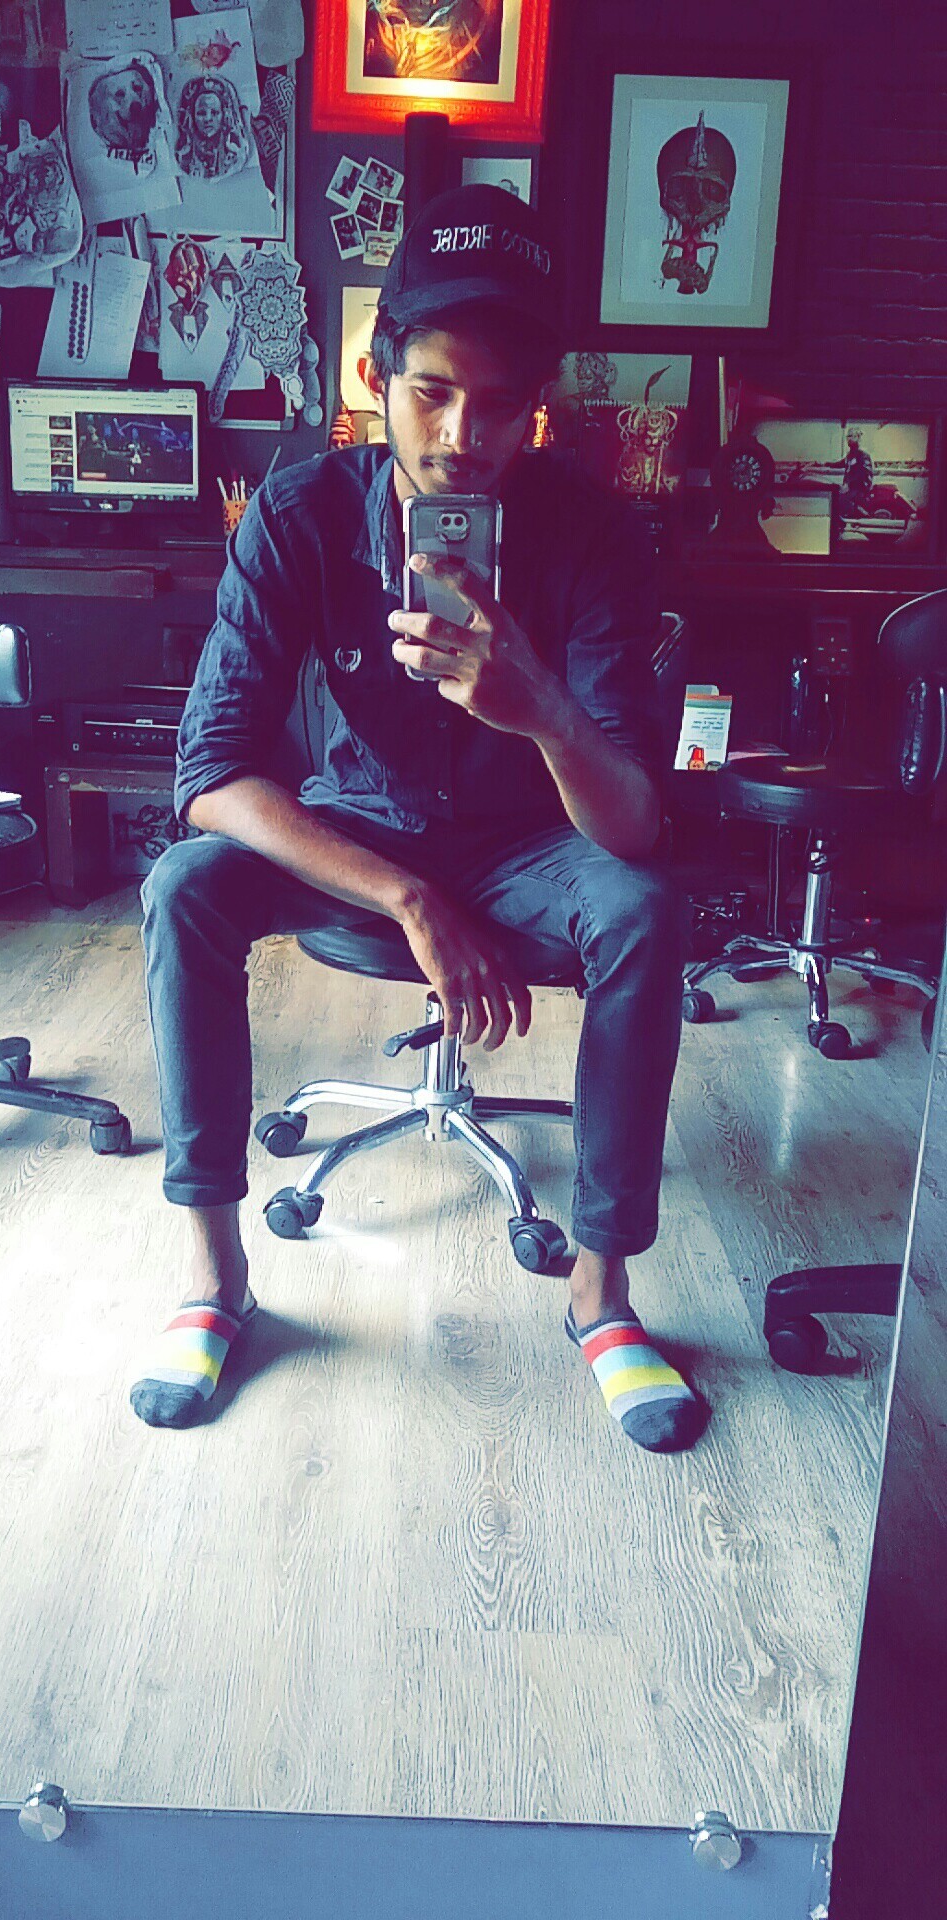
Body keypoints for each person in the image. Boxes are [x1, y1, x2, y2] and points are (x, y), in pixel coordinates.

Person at [134, 185, 707, 1454]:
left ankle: (602, 1292)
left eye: (499, 404)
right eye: (433, 392)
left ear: (536, 405)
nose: (463, 435)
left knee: (646, 909)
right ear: (375, 375)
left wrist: (537, 704)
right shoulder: (297, 514)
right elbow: (209, 774)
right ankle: (214, 1275)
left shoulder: (597, 534)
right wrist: (407, 896)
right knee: (185, 885)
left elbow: (631, 830)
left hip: (535, 846)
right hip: (364, 835)